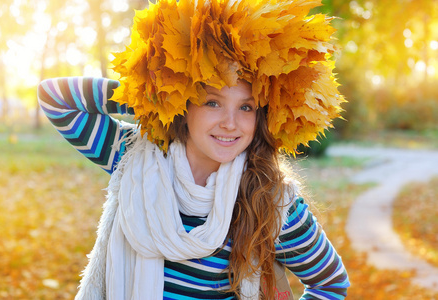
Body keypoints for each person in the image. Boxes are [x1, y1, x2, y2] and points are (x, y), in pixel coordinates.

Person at [37, 0, 350, 299]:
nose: (230, 123)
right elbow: (55, 99)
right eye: (212, 102)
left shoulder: (272, 201)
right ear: (185, 105)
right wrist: (153, 97)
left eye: (246, 107)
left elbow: (330, 283)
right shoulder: (132, 154)